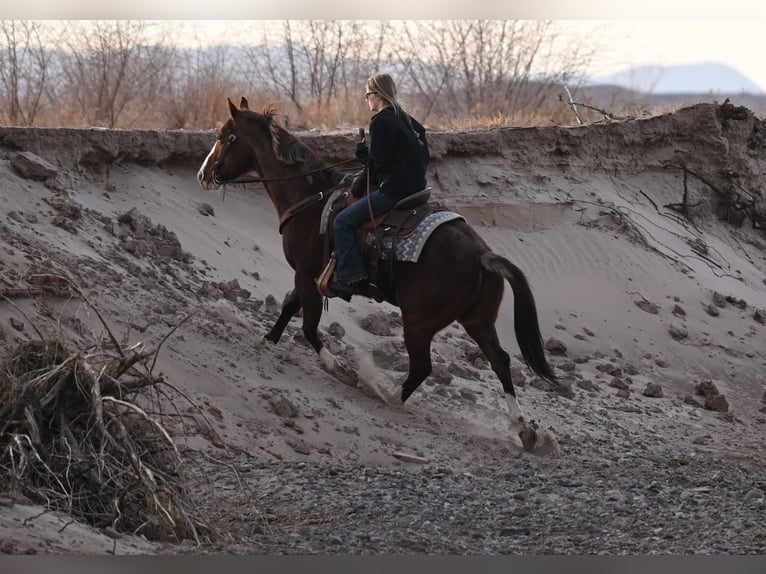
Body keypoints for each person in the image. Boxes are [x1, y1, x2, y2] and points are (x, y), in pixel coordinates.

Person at [328, 73, 430, 301]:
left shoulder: (381, 121)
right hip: (419, 188)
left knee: (342, 222)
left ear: (378, 95)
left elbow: (379, 167)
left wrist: (363, 155)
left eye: (367, 95)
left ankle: (352, 276)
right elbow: (424, 153)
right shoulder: (407, 119)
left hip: (396, 191)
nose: (367, 100)